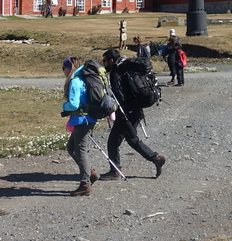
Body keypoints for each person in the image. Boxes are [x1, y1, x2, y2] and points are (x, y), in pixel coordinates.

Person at [98, 48, 166, 181]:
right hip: (135, 110)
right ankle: (155, 158)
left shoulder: (117, 72)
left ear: (111, 60)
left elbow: (120, 95)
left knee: (113, 142)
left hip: (126, 112)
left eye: (105, 61)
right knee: (132, 139)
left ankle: (115, 171)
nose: (104, 63)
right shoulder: (125, 67)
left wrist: (116, 109)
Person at [61, 57, 99, 196]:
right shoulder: (83, 79)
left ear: (68, 67)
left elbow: (74, 105)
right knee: (71, 148)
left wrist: (64, 106)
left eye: (63, 68)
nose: (63, 71)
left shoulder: (75, 82)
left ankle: (85, 184)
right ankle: (90, 173)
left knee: (80, 151)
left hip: (82, 120)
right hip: (88, 119)